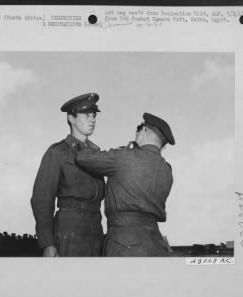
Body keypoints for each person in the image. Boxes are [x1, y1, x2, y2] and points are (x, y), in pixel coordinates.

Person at [75, 113, 175, 257]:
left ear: (145, 131)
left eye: (139, 128)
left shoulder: (124, 157)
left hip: (124, 240)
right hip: (156, 241)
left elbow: (83, 158)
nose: (136, 133)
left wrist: (85, 143)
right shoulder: (167, 169)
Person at [31, 93, 105, 257]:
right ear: (71, 118)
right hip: (69, 230)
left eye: (94, 115)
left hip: (96, 230)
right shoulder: (57, 152)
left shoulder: (97, 155)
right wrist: (48, 243)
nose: (92, 119)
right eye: (86, 115)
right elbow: (42, 199)